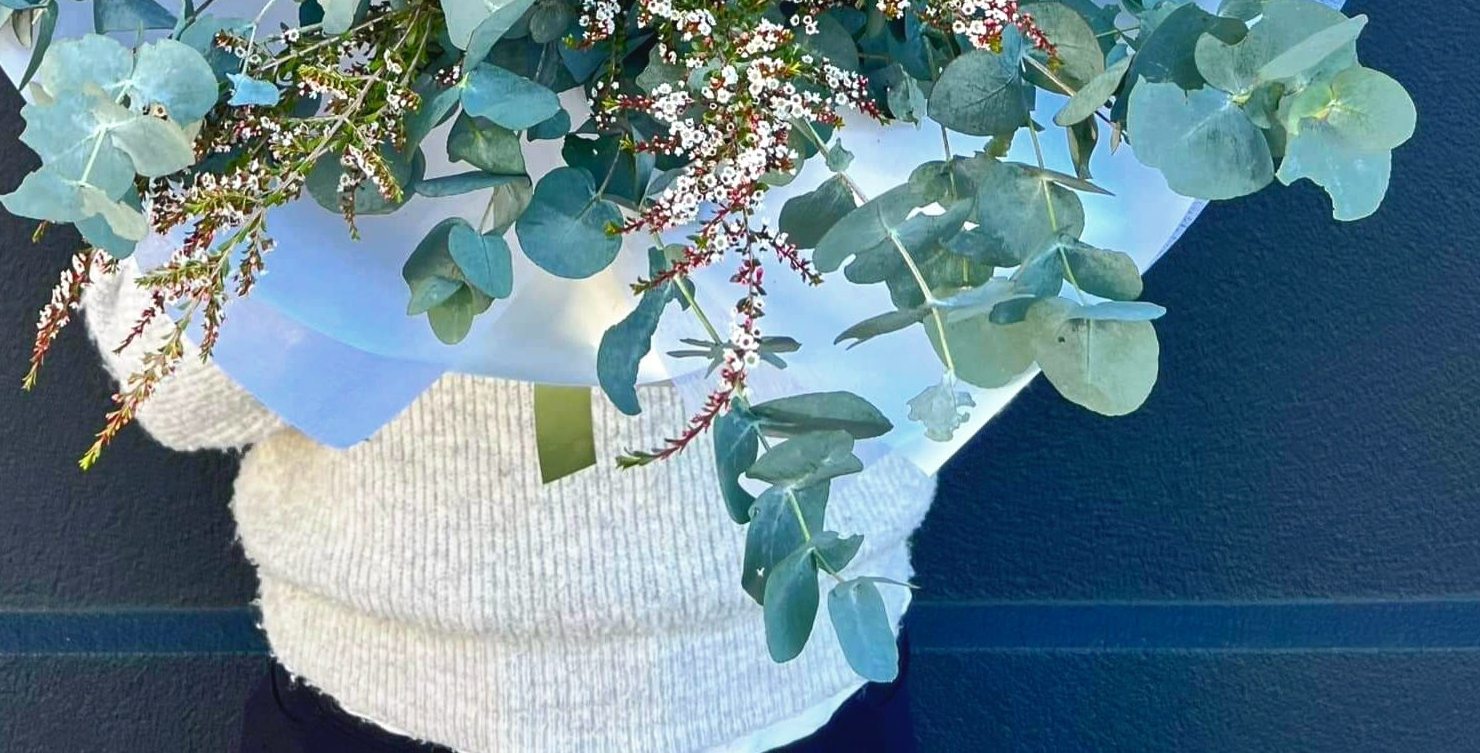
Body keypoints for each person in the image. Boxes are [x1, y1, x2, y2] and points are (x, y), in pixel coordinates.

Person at [85, 263, 932, 753]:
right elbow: (176, 396)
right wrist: (390, 169)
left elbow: (962, 297)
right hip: (381, 696)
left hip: (790, 678)